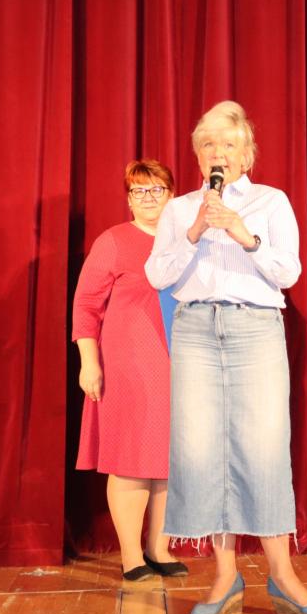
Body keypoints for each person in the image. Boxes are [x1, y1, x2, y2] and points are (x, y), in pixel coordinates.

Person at [145, 100, 307, 614]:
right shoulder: (181, 210)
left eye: (228, 144)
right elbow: (158, 276)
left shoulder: (271, 201)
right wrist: (195, 231)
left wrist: (244, 236)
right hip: (196, 331)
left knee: (263, 447)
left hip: (255, 328)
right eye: (208, 145)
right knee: (201, 450)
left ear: (246, 156)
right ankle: (225, 577)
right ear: (197, 157)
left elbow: (288, 273)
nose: (218, 153)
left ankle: (282, 574)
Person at [73, 159, 188, 582]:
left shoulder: (188, 240)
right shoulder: (114, 241)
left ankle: (159, 548)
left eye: (156, 189)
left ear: (172, 195)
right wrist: (89, 362)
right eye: (139, 191)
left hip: (182, 364)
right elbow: (86, 305)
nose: (148, 198)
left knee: (171, 459)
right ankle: (131, 556)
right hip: (129, 366)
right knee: (131, 459)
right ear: (128, 200)